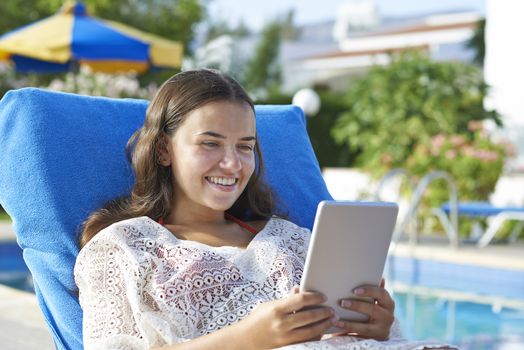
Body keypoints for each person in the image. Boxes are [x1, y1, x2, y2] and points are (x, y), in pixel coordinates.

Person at [74, 69, 455, 350]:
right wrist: (247, 338)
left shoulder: (294, 239)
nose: (232, 164)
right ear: (163, 150)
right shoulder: (122, 248)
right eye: (211, 143)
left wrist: (380, 327)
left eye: (244, 146)